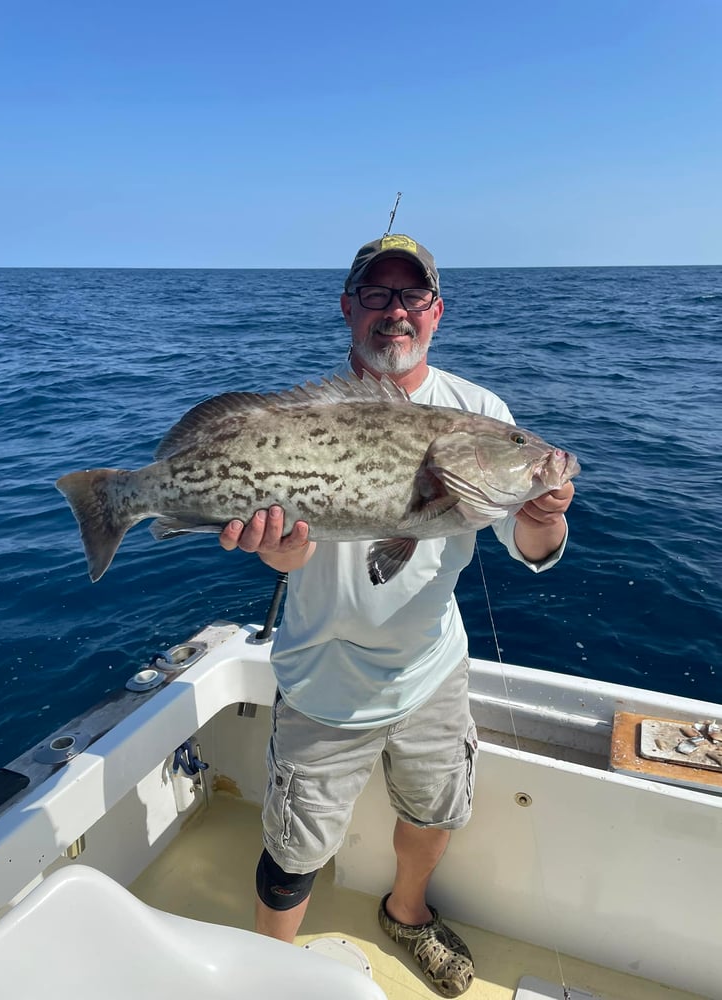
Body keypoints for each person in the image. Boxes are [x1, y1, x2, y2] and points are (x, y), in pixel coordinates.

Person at [219, 234, 574, 998]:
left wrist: (546, 504)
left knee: (435, 809)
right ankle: (269, 973)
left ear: (437, 312)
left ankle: (407, 912)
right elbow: (289, 552)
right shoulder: (299, 418)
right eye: (376, 295)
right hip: (322, 680)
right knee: (294, 849)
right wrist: (278, 557)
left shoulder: (481, 414)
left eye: (412, 296)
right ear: (348, 308)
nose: (395, 312)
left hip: (431, 674)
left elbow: (533, 543)